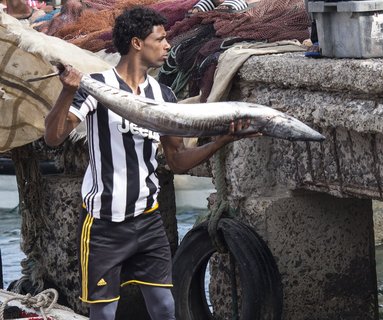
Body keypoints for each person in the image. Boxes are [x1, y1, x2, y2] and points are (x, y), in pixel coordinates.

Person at [44, 6, 259, 320]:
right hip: (104, 226)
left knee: (164, 308)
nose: (168, 46)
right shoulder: (96, 87)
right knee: (104, 315)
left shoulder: (164, 95)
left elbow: (178, 161)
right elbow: (53, 137)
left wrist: (221, 141)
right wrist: (67, 92)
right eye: (160, 40)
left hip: (148, 222)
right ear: (136, 44)